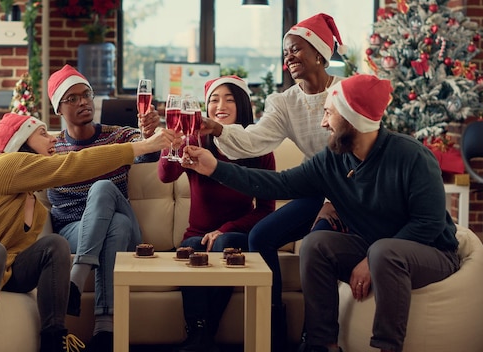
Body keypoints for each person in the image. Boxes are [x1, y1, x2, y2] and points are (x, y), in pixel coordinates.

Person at [181, 74, 460, 352]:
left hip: (430, 252)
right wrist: (215, 168)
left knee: (384, 253)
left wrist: (370, 258)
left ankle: (386, 347)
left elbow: (430, 224)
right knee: (316, 244)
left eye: (329, 114)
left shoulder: (412, 157)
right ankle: (321, 344)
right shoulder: (333, 159)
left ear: (353, 119)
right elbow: (280, 184)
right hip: (376, 248)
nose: (323, 123)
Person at [0, 112, 176, 352]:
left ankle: (55, 340)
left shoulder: (32, 201)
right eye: (42, 133)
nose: (53, 137)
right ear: (22, 142)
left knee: (54, 245)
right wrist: (143, 146)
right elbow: (75, 164)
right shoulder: (9, 164)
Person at [199, 13, 348, 349]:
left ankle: (317, 337)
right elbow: (254, 141)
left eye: (296, 49)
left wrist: (335, 201)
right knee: (261, 235)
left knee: (316, 246)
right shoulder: (284, 102)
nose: (289, 57)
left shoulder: (344, 92)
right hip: (315, 191)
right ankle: (272, 326)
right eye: (285, 52)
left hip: (351, 193)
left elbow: (362, 152)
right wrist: (218, 129)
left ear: (320, 53)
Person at [45, 64, 163, 352]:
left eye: (86, 94)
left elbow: (149, 153)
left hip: (129, 235)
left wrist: (150, 134)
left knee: (103, 188)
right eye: (72, 98)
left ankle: (77, 276)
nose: (83, 102)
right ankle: (105, 330)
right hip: (73, 230)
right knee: (116, 226)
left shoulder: (118, 136)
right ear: (58, 109)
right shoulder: (52, 148)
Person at [158, 76, 276, 352]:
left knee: (223, 245)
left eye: (229, 99)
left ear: (243, 105)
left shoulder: (258, 147)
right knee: (189, 248)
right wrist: (174, 141)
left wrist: (225, 229)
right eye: (213, 99)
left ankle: (203, 336)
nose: (220, 105)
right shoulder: (198, 140)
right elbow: (165, 175)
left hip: (236, 233)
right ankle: (200, 334)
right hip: (197, 235)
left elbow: (266, 210)